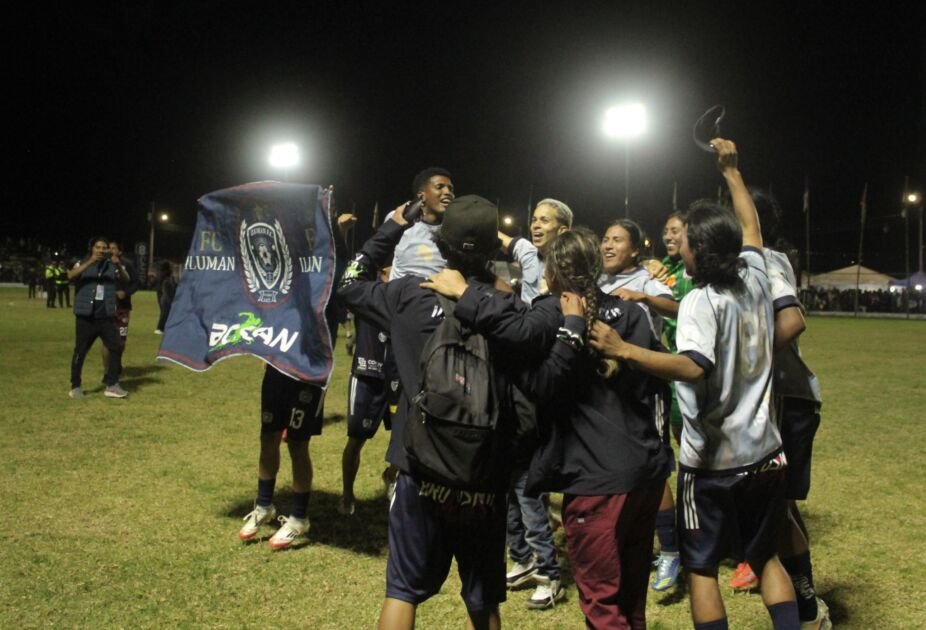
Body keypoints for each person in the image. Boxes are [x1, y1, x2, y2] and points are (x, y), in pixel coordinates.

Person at [589, 138, 800, 630]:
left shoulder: (701, 302)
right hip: (766, 452)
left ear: (700, 249)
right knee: (767, 558)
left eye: (683, 238)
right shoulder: (753, 273)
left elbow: (692, 366)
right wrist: (731, 170)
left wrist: (625, 351)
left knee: (701, 569)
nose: (676, 241)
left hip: (712, 463)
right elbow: (751, 226)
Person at [425, 227, 672, 628]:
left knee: (604, 608)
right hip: (644, 475)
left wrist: (466, 295)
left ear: (552, 272)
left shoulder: (551, 314)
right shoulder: (628, 313)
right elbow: (654, 384)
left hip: (597, 482)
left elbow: (528, 359)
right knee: (630, 602)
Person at [339, 195, 522, 630]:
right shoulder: (506, 311)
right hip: (484, 472)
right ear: (493, 249)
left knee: (402, 591)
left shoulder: (407, 296)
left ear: (441, 244)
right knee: (483, 600)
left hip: (418, 464)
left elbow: (348, 283)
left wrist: (391, 228)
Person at [238, 211, 354, 549]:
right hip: (278, 365)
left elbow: (341, 263)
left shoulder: (330, 286)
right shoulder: (285, 282)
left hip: (311, 371)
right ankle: (263, 505)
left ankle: (300, 518)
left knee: (298, 444)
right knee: (267, 436)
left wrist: (334, 227)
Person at [753, 189, 830, 629]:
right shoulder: (737, 264)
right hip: (767, 397)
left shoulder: (767, 258)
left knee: (779, 504)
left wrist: (748, 363)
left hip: (787, 396)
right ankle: (795, 596)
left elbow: (792, 319)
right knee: (770, 503)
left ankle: (808, 605)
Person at [494, 198, 572, 609]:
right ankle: (521, 558)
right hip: (518, 384)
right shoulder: (532, 261)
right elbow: (515, 246)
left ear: (563, 228)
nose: (536, 225)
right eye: (534, 219)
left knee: (527, 485)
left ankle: (549, 571)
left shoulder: (565, 268)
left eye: (545, 220)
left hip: (542, 388)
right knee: (510, 478)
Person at [338, 268, 398, 516]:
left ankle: (392, 476)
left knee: (403, 439)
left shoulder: (406, 284)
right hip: (367, 373)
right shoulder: (364, 286)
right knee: (356, 439)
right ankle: (347, 494)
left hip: (397, 373)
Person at [67, 236, 130, 399]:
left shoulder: (112, 265)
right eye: (98, 247)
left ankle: (112, 384)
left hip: (105, 316)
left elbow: (126, 279)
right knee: (80, 351)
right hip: (86, 317)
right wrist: (90, 262)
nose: (101, 250)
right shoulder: (83, 262)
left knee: (116, 347)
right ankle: (75, 386)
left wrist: (118, 266)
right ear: (92, 249)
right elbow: (70, 276)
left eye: (104, 248)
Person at [599, 219, 678, 335]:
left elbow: (674, 309)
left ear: (634, 250)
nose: (608, 246)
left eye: (617, 240)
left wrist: (643, 297)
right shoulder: (597, 279)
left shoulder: (647, 277)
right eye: (605, 240)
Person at [388, 167, 455, 280]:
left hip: (435, 296)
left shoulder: (456, 230)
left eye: (450, 189)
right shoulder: (398, 218)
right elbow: (381, 249)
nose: (447, 192)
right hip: (399, 294)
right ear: (421, 196)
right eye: (440, 187)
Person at [101, 241, 139, 377]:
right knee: (107, 340)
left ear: (119, 251)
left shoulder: (127, 264)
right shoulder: (102, 264)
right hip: (105, 307)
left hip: (122, 308)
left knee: (120, 341)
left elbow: (136, 282)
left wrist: (126, 292)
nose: (110, 250)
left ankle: (116, 364)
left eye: (113, 248)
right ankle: (107, 371)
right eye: (108, 248)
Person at [154, 261, 176, 334]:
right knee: (165, 313)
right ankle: (160, 328)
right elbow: (167, 289)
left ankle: (164, 328)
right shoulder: (167, 278)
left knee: (166, 313)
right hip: (166, 297)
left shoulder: (162, 277)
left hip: (163, 297)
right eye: (171, 266)